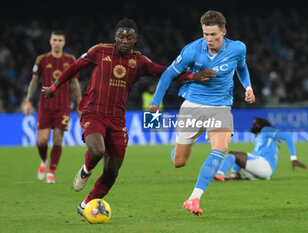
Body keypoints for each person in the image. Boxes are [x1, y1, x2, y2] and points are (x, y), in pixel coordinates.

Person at [42, 18, 214, 217]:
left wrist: (193, 76)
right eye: (121, 36)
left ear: (135, 40)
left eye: (129, 37)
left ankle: (86, 204)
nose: (124, 40)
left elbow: (164, 72)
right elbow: (75, 67)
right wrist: (54, 87)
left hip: (117, 120)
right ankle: (86, 170)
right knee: (97, 150)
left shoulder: (139, 61)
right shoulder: (99, 51)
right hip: (93, 112)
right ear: (115, 37)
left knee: (112, 171)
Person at [148, 10, 255, 215]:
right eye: (205, 34)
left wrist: (248, 87)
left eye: (213, 34)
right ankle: (181, 147)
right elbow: (167, 74)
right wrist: (155, 103)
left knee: (221, 149)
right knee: (179, 162)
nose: (209, 39)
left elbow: (241, 67)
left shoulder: (237, 48)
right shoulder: (191, 50)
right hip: (193, 106)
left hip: (221, 107)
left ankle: (193, 199)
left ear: (223, 32)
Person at [24, 30, 82, 184]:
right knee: (42, 141)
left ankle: (51, 172)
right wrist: (29, 100)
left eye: (60, 40)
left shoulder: (70, 59)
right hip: (45, 106)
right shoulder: (42, 59)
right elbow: (34, 82)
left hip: (63, 106)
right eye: (54, 39)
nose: (57, 42)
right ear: (50, 41)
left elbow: (75, 83)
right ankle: (44, 161)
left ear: (64, 42)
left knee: (57, 138)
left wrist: (79, 102)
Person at [214, 117, 308, 181]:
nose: (253, 124)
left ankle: (220, 173)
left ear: (260, 125)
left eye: (255, 123)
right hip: (260, 169)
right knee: (237, 158)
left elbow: (288, 136)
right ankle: (235, 174)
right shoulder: (260, 138)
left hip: (265, 166)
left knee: (233, 155)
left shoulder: (266, 130)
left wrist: (293, 158)